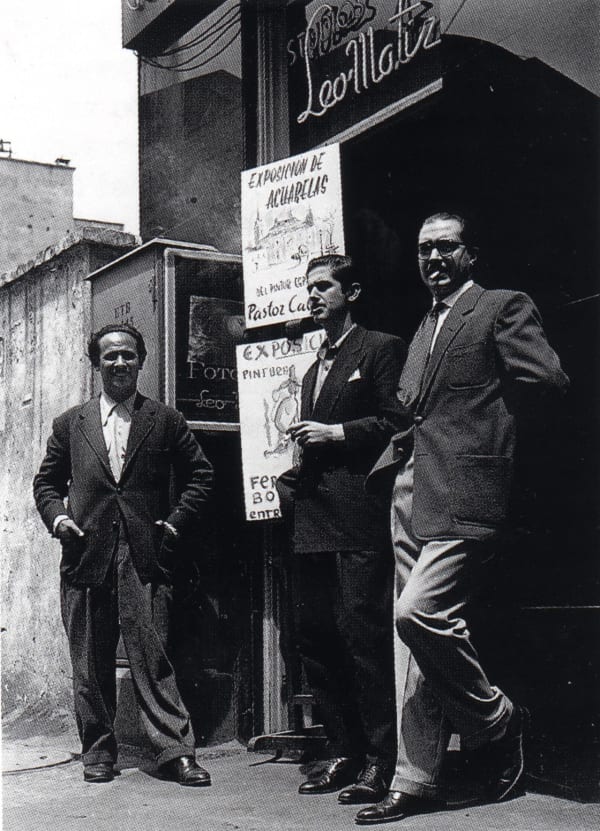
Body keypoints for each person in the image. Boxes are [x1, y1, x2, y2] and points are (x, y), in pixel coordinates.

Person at [356, 212, 569, 824]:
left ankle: (497, 719)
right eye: (425, 250)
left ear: (470, 254)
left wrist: (493, 442)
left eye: (446, 248)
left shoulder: (500, 307)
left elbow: (548, 379)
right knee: (412, 648)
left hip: (464, 488)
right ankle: (416, 778)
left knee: (418, 612)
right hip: (409, 488)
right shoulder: (425, 323)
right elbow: (410, 410)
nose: (433, 259)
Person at [33, 323, 214, 786]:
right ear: (97, 364)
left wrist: (174, 522)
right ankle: (98, 752)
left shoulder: (165, 420)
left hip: (144, 556)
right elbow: (46, 484)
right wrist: (58, 519)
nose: (119, 363)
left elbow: (201, 475)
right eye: (110, 356)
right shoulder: (70, 424)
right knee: (90, 662)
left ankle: (175, 751)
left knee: (151, 657)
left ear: (141, 362)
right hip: (85, 555)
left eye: (128, 356)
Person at [278, 254, 407, 804]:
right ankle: (343, 750)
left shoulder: (380, 348)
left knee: (363, 639)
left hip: (358, 519)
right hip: (311, 521)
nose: (313, 296)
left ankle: (382, 761)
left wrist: (335, 432)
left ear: (351, 292)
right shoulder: (311, 370)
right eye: (308, 288)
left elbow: (396, 422)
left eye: (323, 286)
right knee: (317, 640)